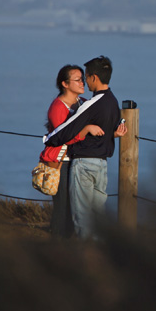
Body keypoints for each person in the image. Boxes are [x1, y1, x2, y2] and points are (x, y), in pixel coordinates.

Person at [43, 56, 124, 239]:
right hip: (102, 165)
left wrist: (49, 139)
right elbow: (105, 127)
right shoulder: (113, 101)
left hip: (84, 164)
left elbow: (64, 132)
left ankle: (85, 257)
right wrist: (112, 134)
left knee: (82, 216)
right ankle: (98, 255)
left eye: (85, 77)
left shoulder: (89, 103)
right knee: (97, 216)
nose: (84, 82)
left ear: (94, 77)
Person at [40, 64, 105, 238]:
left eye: (82, 79)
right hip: (62, 163)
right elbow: (62, 136)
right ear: (65, 84)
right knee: (63, 207)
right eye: (77, 80)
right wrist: (85, 130)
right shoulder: (58, 107)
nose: (82, 83)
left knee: (77, 207)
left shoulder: (83, 103)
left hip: (79, 161)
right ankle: (59, 245)